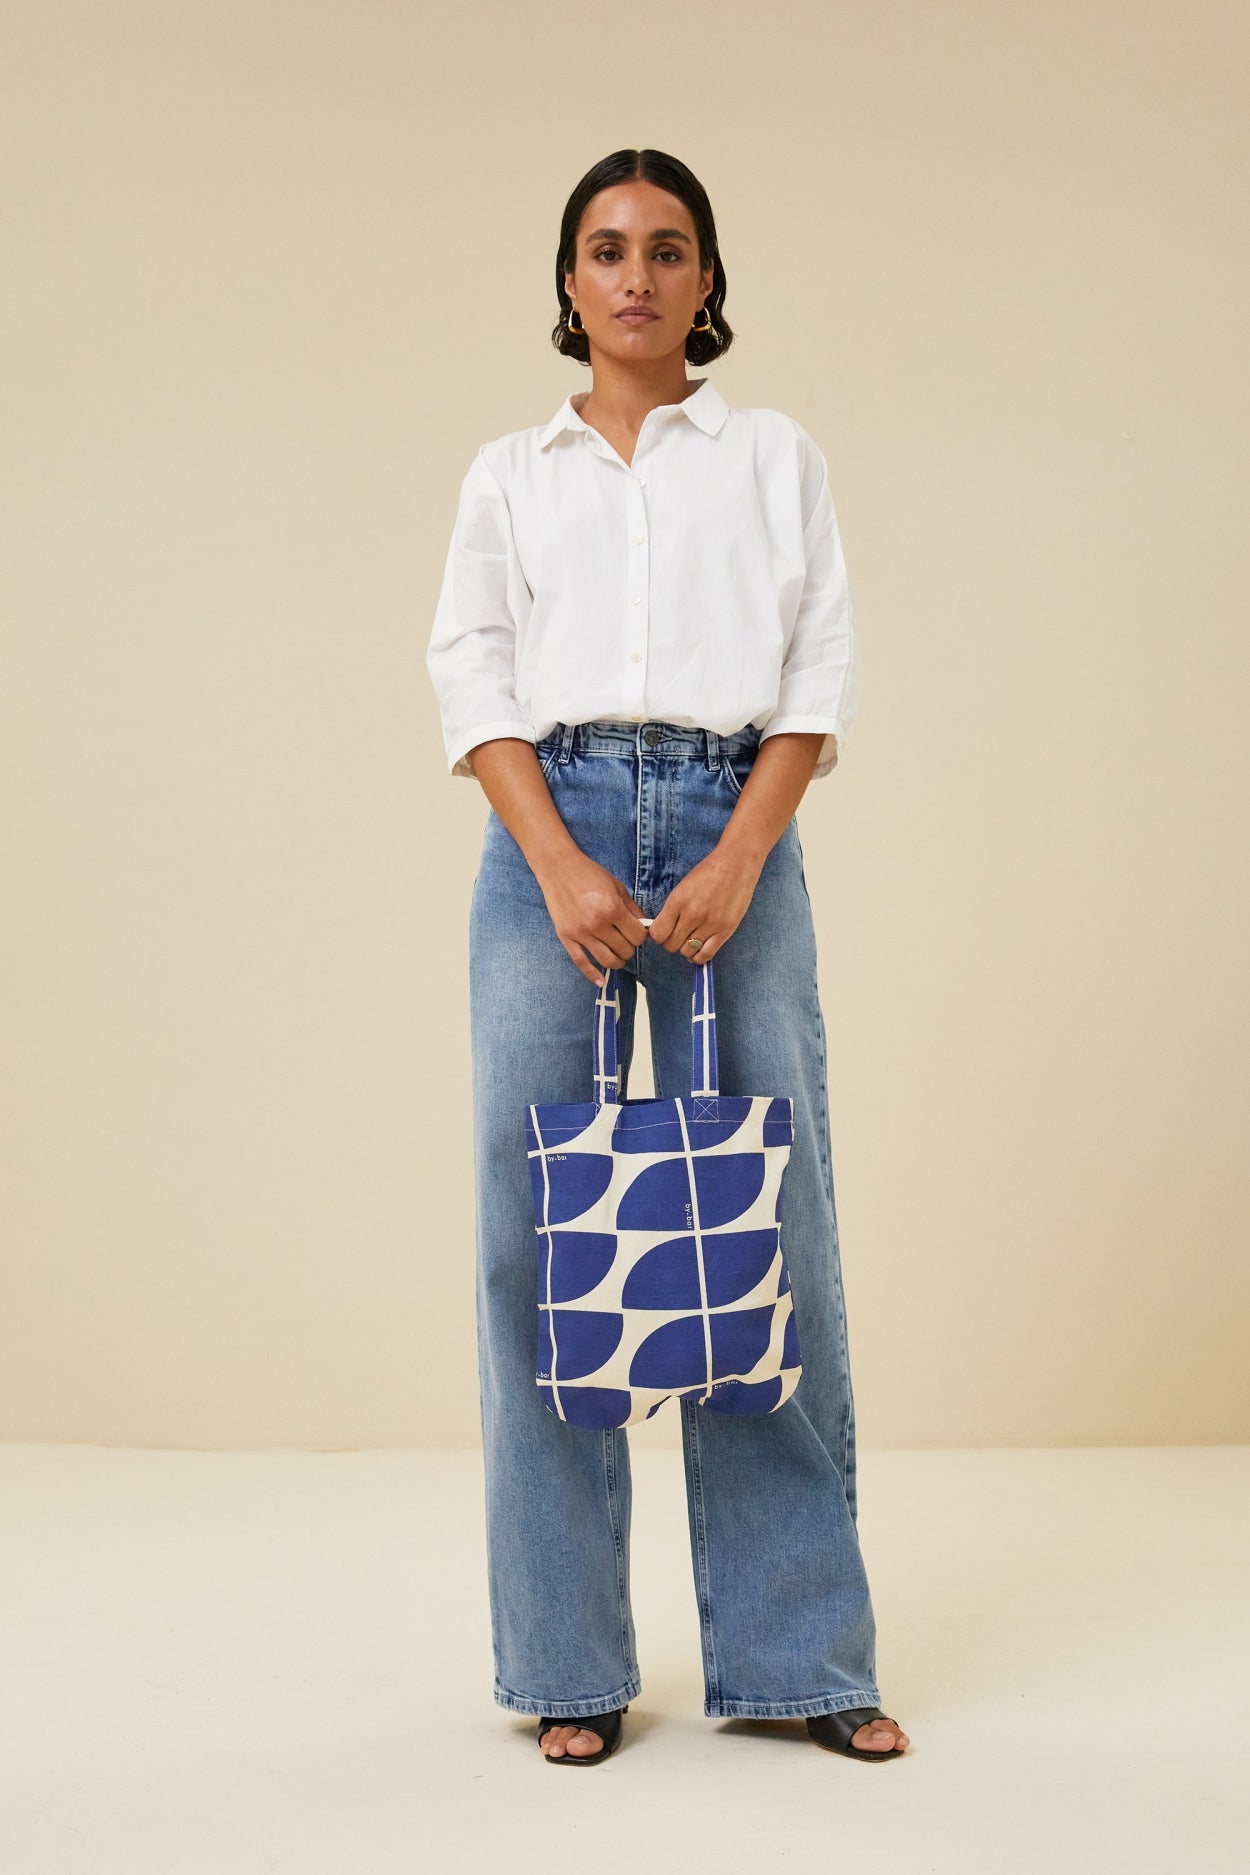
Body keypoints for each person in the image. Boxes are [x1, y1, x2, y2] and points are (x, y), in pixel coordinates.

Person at [425, 147, 911, 1768]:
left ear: (707, 282)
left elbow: (816, 667)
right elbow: (473, 671)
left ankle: (797, 1659)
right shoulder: (511, 472)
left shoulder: (772, 455)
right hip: (545, 840)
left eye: (667, 248)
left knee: (759, 1225)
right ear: (567, 285)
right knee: (537, 1242)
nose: (634, 275)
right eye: (605, 248)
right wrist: (558, 865)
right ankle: (565, 1661)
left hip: (730, 823)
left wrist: (740, 856)